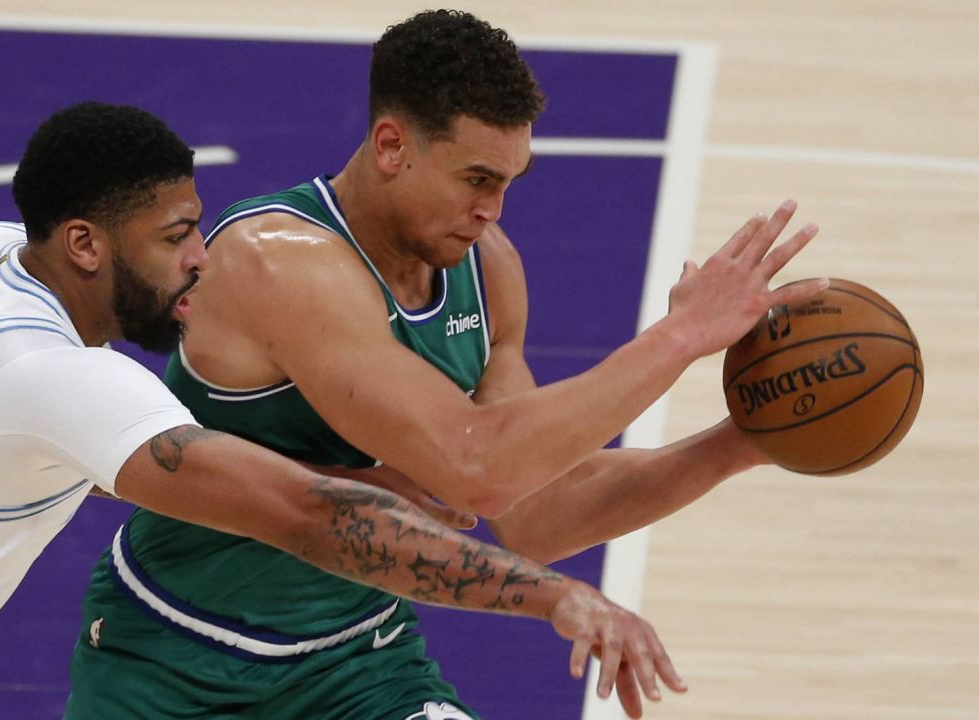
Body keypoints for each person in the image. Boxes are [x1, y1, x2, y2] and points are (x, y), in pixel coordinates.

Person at [0, 101, 680, 720]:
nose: (199, 259)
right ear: (83, 245)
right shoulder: (60, 382)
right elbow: (299, 517)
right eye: (173, 238)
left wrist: (346, 473)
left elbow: (249, 476)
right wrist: (554, 595)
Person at [64, 10, 828, 720]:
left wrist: (743, 443)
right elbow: (474, 465)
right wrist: (679, 338)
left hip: (360, 667)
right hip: (175, 661)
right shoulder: (278, 261)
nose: (493, 209)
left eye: (507, 183)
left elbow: (537, 512)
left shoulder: (488, 270)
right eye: (477, 180)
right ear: (393, 146)